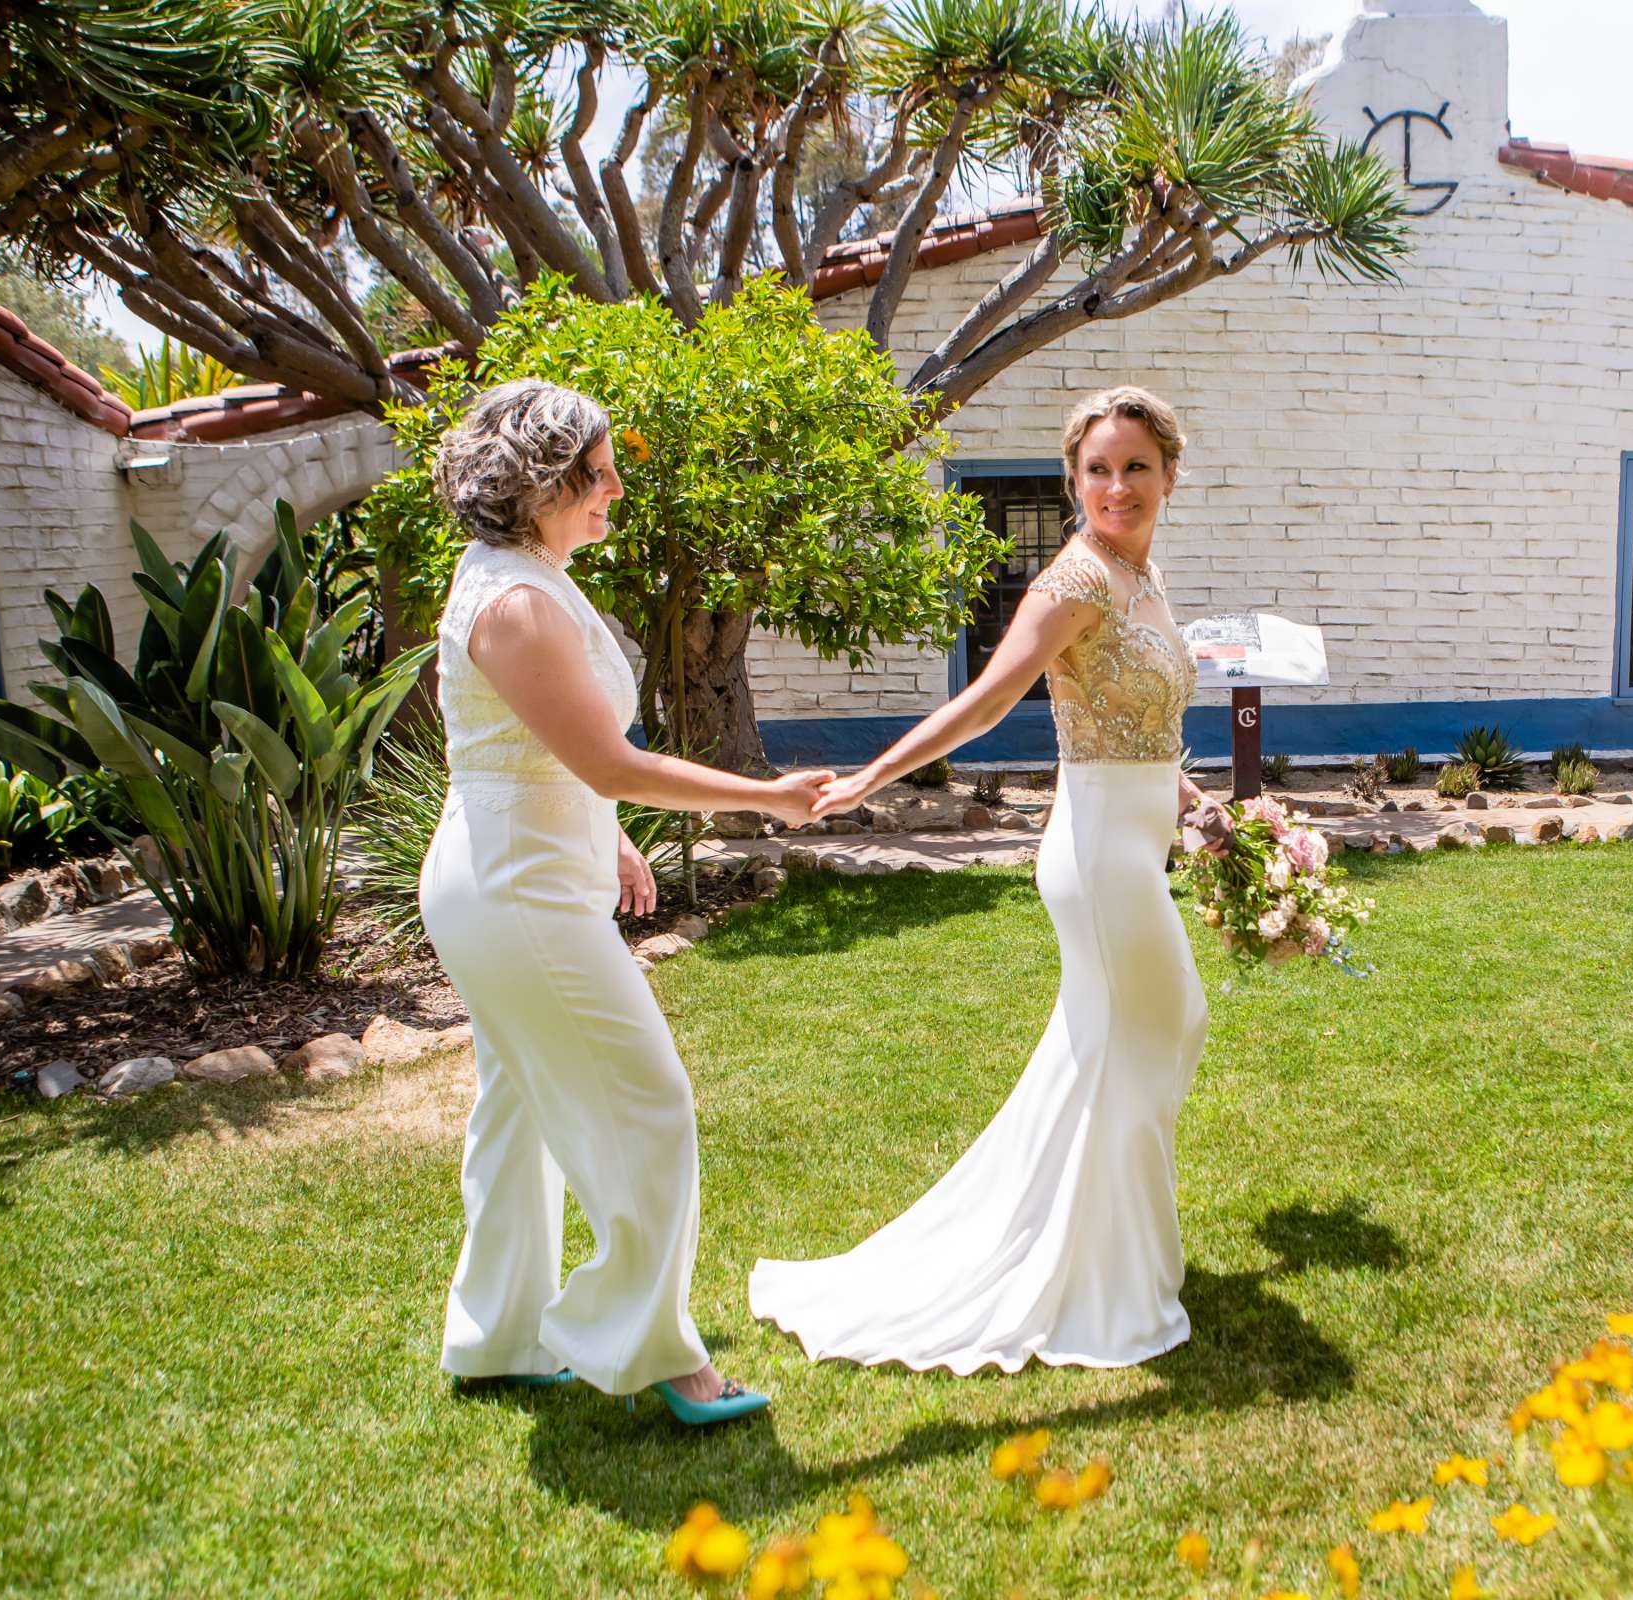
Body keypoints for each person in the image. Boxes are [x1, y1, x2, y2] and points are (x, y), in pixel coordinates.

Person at [750, 385, 1213, 1372]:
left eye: (1135, 466)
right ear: (1072, 479)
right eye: (1097, 468)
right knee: (1158, 1029)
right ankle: (1111, 1282)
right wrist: (877, 772)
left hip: (1140, 835)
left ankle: (1102, 1248)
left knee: (1128, 1046)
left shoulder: (1145, 578)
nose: (1115, 486)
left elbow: (1143, 724)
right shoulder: (1077, 581)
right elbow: (989, 698)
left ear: (1169, 474)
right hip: (1095, 854)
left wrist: (1195, 802)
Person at [420, 378, 829, 1425]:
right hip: (516, 897)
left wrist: (609, 841)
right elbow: (608, 758)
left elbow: (540, 753)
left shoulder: (525, 576)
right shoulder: (513, 600)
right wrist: (767, 797)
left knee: (517, 1114)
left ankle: (496, 1337)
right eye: (595, 474)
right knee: (649, 1101)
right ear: (537, 483)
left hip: (519, 877)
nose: (612, 492)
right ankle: (656, 1348)